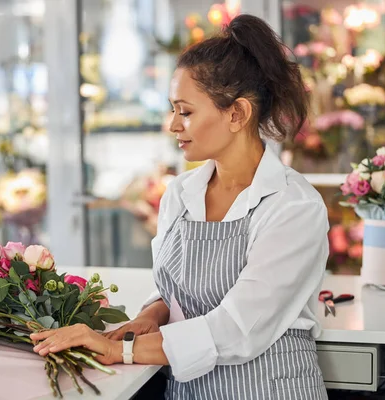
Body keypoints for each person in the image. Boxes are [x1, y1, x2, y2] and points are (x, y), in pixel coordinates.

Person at [31, 14, 330, 399]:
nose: (173, 125)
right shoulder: (182, 193)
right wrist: (148, 317)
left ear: (236, 114)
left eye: (185, 111)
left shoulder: (293, 207)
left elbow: (237, 330)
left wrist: (116, 349)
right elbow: (177, 293)